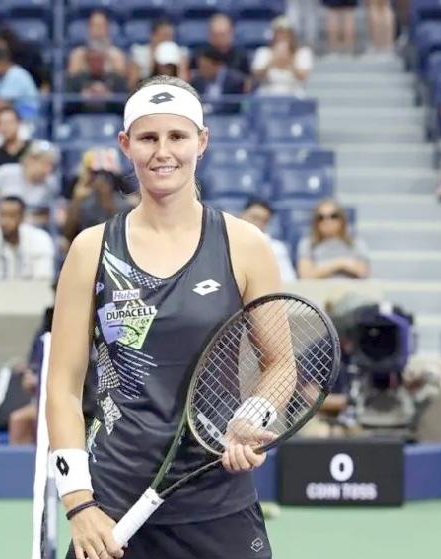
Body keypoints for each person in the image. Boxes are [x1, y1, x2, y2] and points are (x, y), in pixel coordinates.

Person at [45, 76, 281, 559]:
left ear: (202, 142)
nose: (163, 151)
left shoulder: (245, 245)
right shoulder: (91, 248)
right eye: (149, 138)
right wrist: (77, 502)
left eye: (178, 136)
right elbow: (63, 387)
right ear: (126, 145)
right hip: (110, 501)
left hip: (217, 497)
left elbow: (281, 364)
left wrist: (251, 416)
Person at [0, 196, 55, 281]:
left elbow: (43, 281)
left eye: (11, 216)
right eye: (2, 215)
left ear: (22, 217)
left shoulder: (41, 239)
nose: (5, 221)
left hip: (28, 295)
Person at [297, 198, 369, 279]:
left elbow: (362, 272)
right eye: (321, 217)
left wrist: (320, 270)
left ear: (342, 220)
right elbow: (306, 276)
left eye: (333, 216)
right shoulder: (308, 244)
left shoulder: (356, 243)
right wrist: (340, 263)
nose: (327, 221)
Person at [239, 197, 297, 283]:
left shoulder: (276, 248)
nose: (258, 223)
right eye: (254, 218)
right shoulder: (224, 242)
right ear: (241, 215)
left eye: (264, 221)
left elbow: (289, 281)